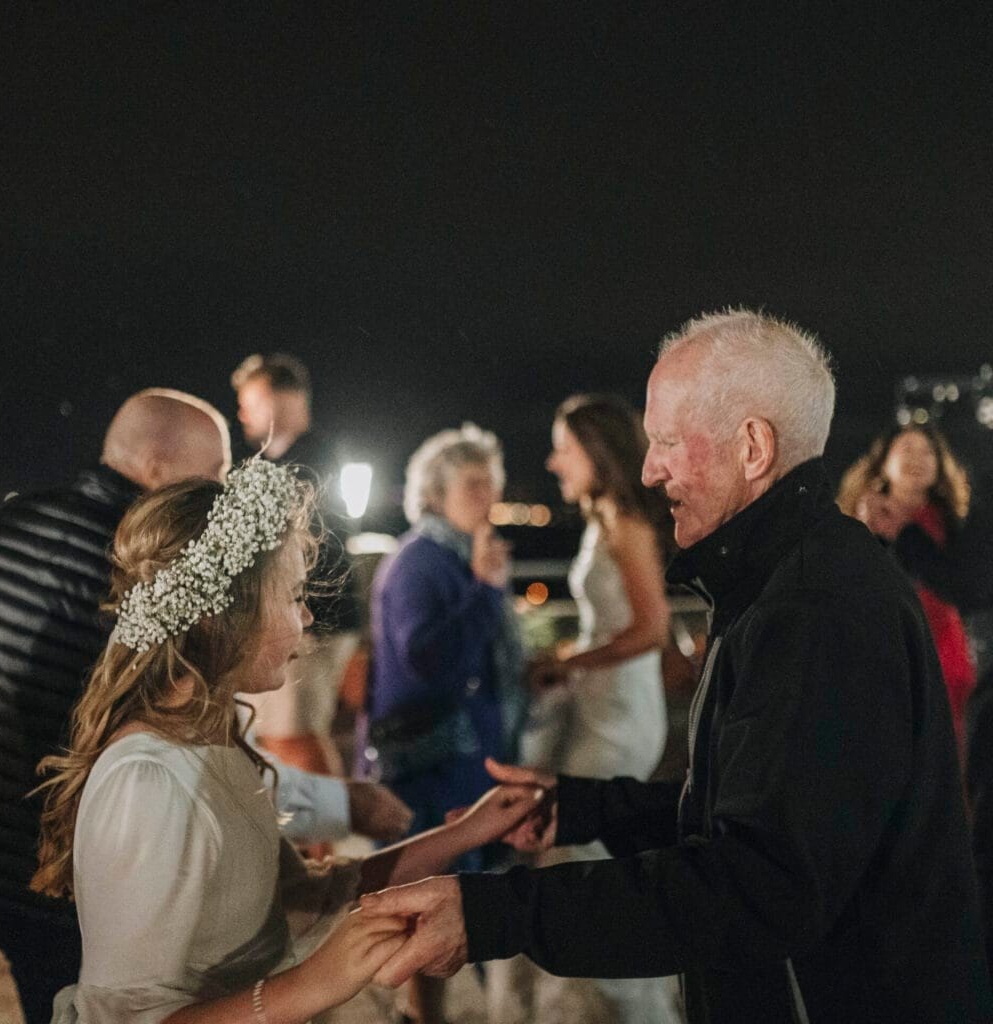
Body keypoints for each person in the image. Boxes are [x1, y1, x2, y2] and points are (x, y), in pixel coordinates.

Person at [362, 310, 991, 1024]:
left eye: (666, 441)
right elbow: (770, 814)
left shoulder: (815, 609)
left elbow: (760, 885)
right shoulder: (787, 578)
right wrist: (583, 808)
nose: (649, 468)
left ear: (753, 447)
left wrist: (492, 914)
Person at [29, 456, 543, 1023]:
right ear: (223, 614)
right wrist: (311, 985)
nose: (305, 616)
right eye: (293, 594)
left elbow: (307, 897)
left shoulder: (219, 739)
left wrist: (473, 827)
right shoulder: (147, 780)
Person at [0, 389, 408, 1024]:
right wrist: (344, 805)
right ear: (153, 470)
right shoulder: (155, 573)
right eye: (214, 476)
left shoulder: (9, 521)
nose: (223, 496)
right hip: (55, 866)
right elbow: (181, 772)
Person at [493, 394, 678, 1024]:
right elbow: (612, 623)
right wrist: (568, 657)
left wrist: (568, 663)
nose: (552, 461)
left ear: (596, 454)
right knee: (574, 843)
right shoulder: (605, 520)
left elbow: (651, 629)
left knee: (580, 848)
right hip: (600, 705)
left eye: (564, 448)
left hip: (622, 714)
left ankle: (647, 1000)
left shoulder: (626, 525)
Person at [363, 423, 527, 1024]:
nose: (488, 496)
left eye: (493, 483)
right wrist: (485, 591)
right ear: (435, 491)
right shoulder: (419, 563)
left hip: (462, 758)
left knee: (460, 894)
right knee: (424, 901)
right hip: (428, 766)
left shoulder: (460, 556)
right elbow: (425, 661)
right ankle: (419, 1015)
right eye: (474, 483)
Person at [232, 353, 360, 786]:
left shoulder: (306, 463)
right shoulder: (311, 457)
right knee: (279, 735)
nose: (241, 413)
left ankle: (333, 833)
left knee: (293, 736)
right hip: (311, 620)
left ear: (276, 399)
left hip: (314, 623)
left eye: (248, 401)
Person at [838, 424, 976, 762]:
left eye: (927, 452)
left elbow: (964, 589)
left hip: (947, 661)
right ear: (882, 462)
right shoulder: (854, 525)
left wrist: (906, 534)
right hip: (880, 666)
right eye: (906, 449)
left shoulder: (958, 526)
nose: (918, 458)